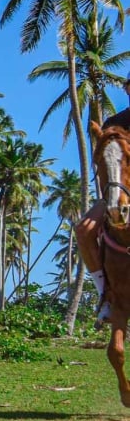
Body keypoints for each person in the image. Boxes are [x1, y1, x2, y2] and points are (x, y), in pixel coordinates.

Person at [74, 75, 130, 323]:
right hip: (118, 192)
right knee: (84, 229)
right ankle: (105, 296)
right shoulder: (114, 123)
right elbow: (104, 164)